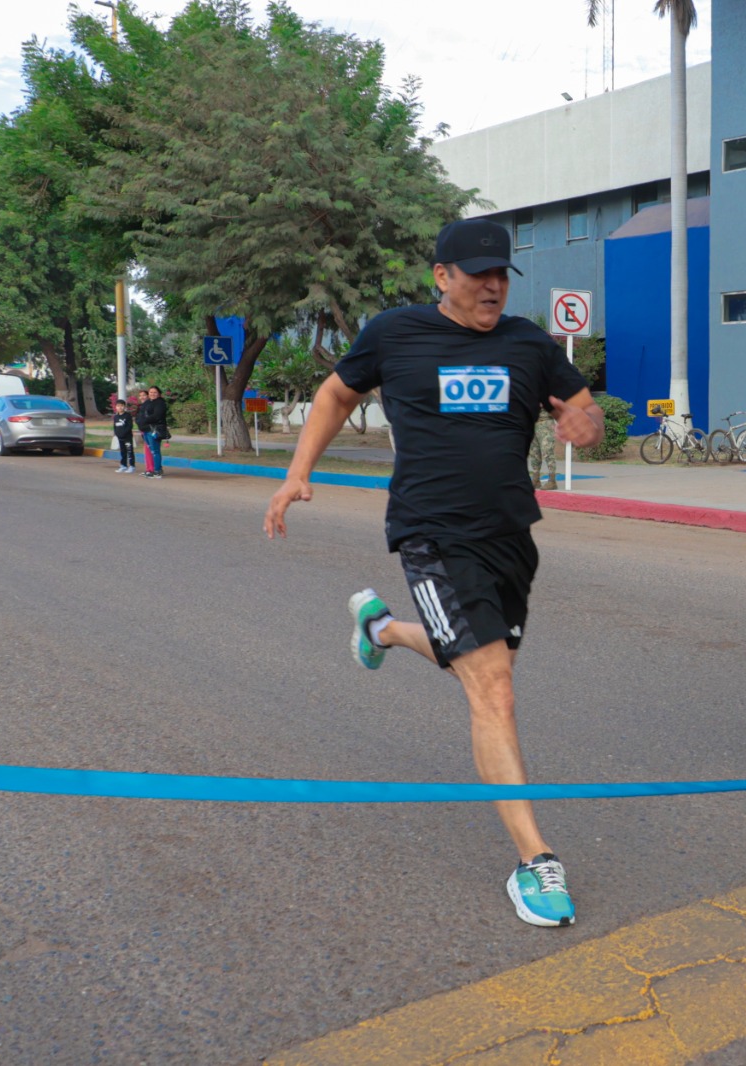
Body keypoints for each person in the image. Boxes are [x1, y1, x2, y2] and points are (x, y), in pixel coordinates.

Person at [263, 217, 604, 928]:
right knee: (494, 689)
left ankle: (381, 628)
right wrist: (298, 474)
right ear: (441, 276)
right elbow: (334, 396)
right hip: (432, 534)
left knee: (474, 665)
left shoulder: (530, 344)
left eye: (502, 273)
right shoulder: (395, 333)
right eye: (477, 273)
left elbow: (581, 405)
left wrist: (585, 423)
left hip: (510, 539)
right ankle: (534, 862)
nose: (493, 284)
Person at [137, 386, 169, 479]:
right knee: (151, 451)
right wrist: (139, 422)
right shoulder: (147, 402)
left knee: (155, 451)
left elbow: (157, 416)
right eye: (151, 392)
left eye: (155, 392)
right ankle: (153, 469)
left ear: (159, 393)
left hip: (154, 430)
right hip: (146, 430)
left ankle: (157, 471)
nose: (152, 394)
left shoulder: (160, 403)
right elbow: (140, 413)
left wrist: (144, 421)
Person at [111, 400, 136, 473]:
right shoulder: (116, 417)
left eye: (122, 406)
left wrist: (124, 433)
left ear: (124, 407)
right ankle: (123, 465)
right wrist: (117, 434)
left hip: (127, 437)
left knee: (130, 451)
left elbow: (130, 426)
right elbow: (115, 426)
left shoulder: (127, 416)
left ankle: (132, 466)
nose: (120, 407)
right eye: (118, 406)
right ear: (116, 407)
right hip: (120, 437)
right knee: (123, 452)